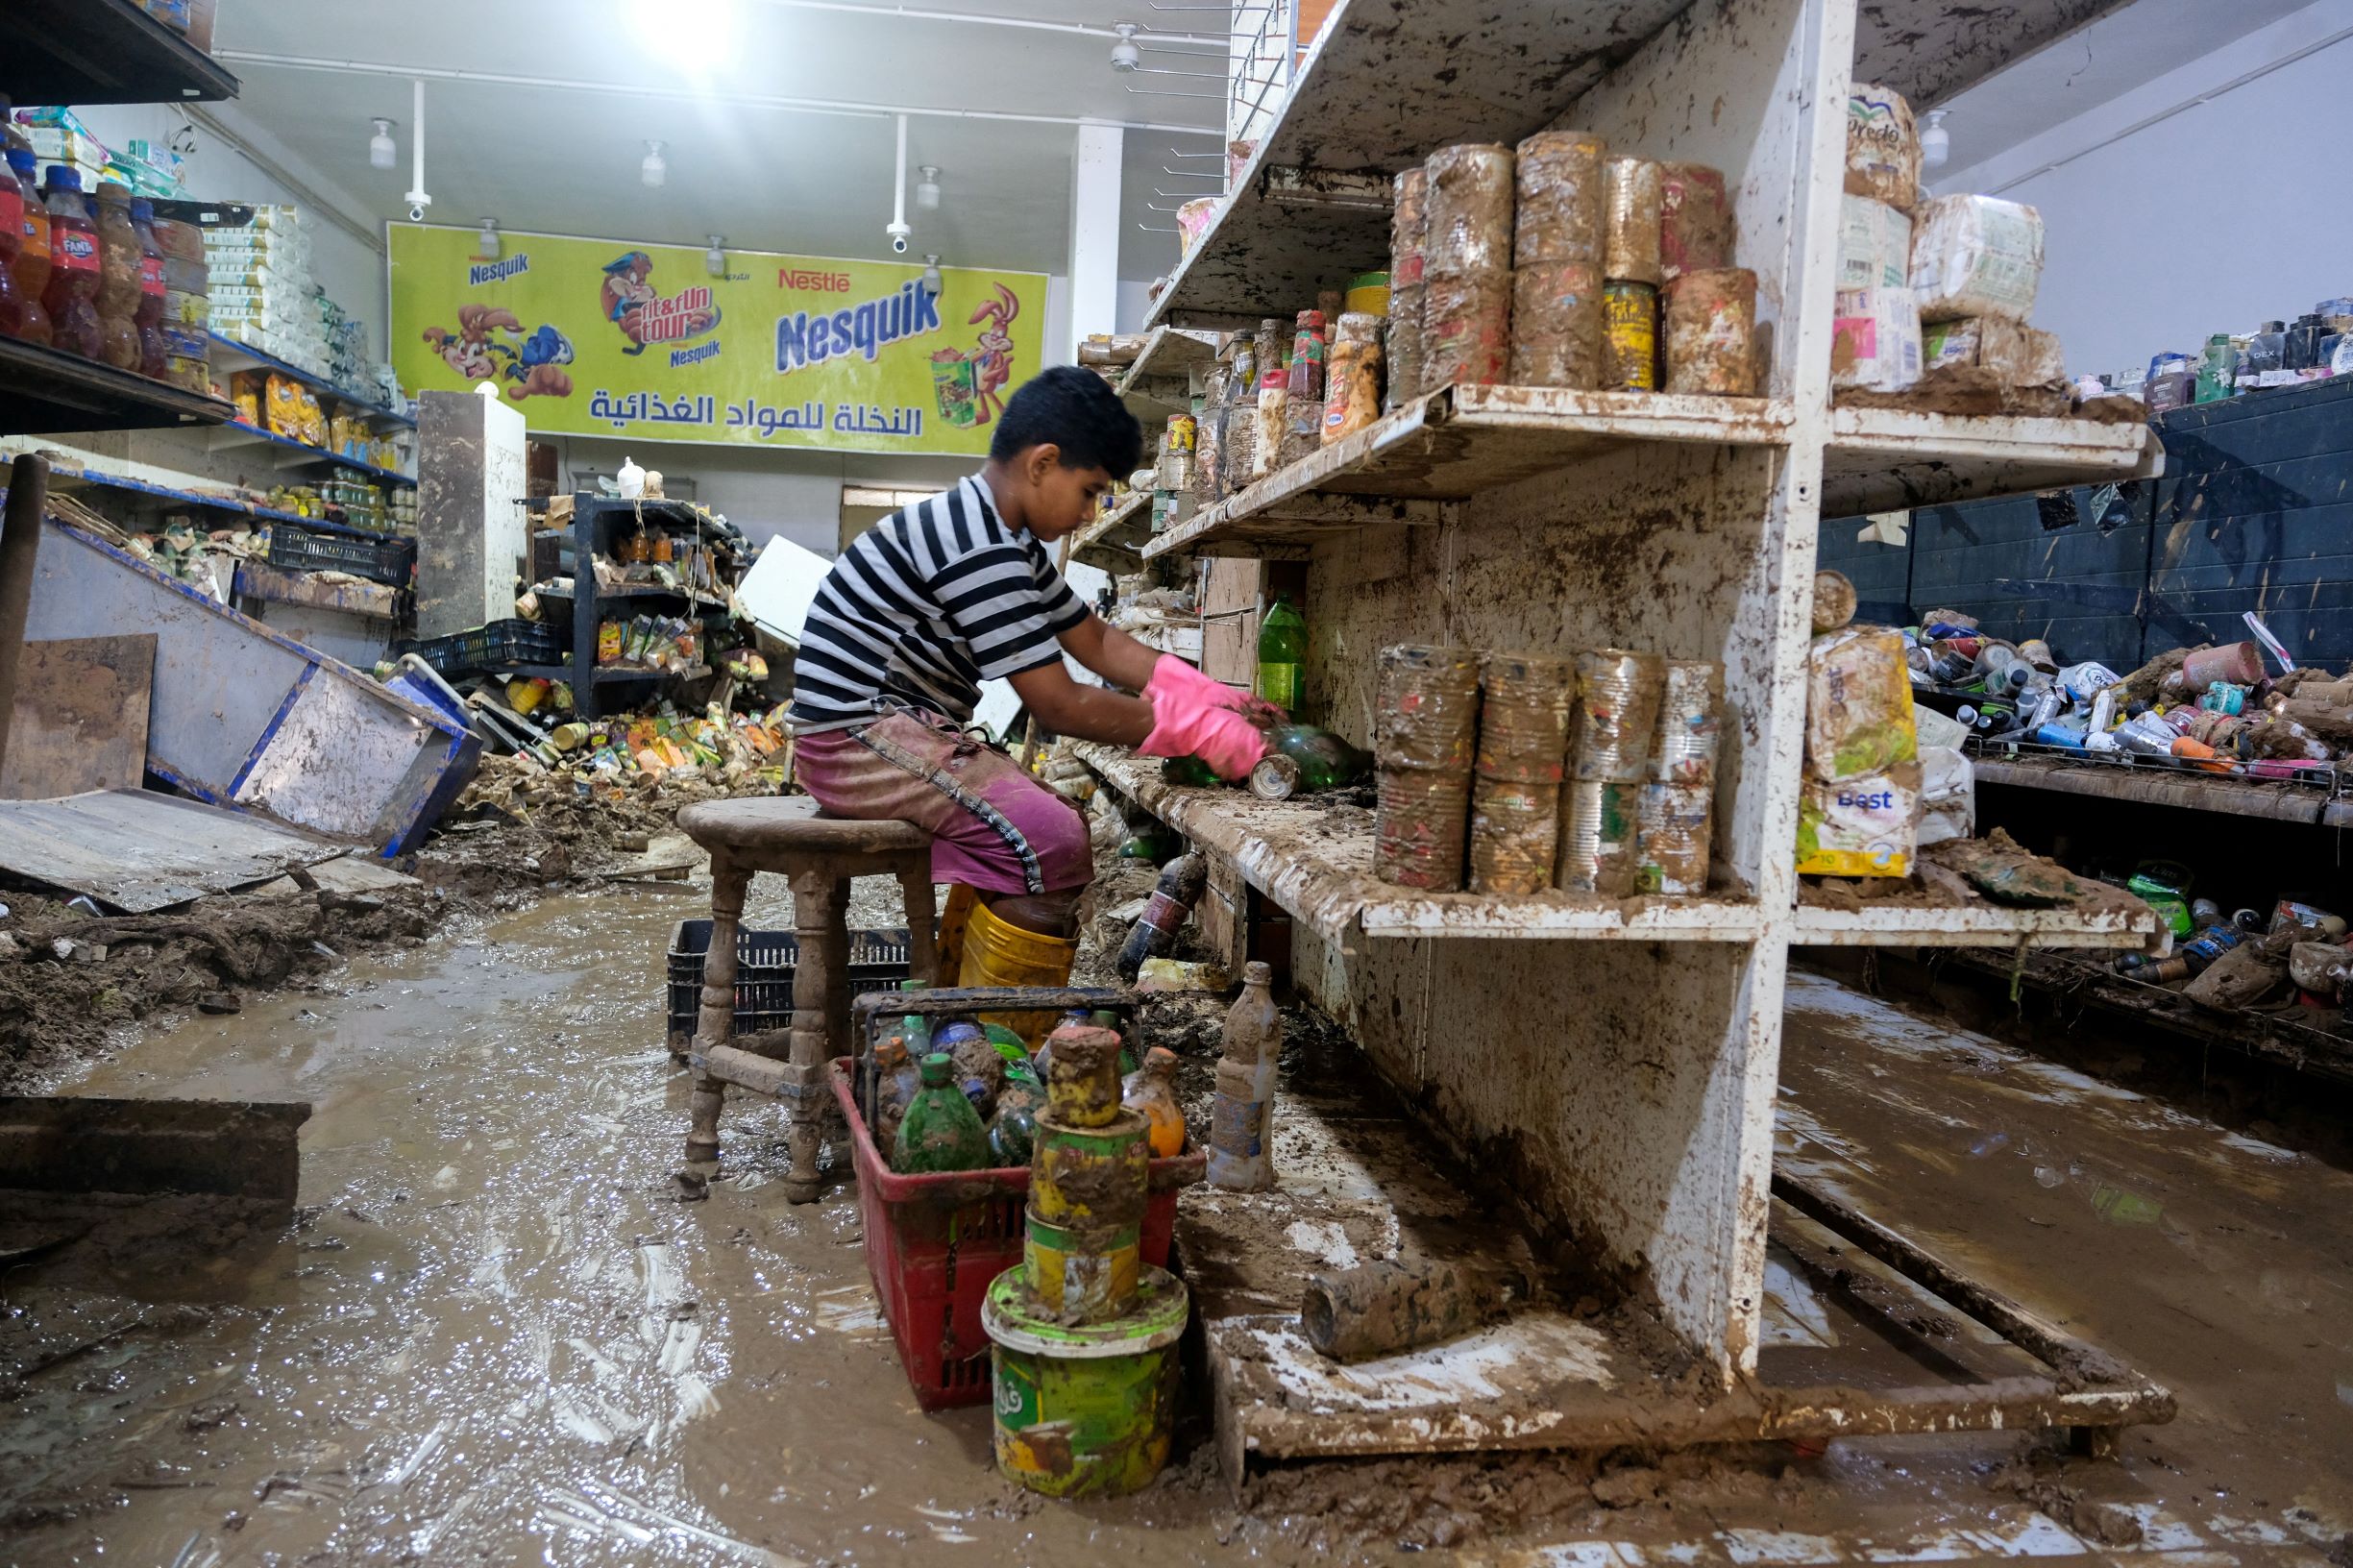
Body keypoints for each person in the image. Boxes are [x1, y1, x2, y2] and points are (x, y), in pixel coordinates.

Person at [788, 364, 1271, 1000]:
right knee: (1051, 837)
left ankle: (959, 1001)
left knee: (1045, 822)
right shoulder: (978, 543)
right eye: (1090, 490)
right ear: (1043, 463)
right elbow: (1057, 703)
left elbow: (1093, 639)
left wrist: (1201, 691)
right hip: (855, 738)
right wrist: (1196, 732)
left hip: (888, 730)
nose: (1089, 511)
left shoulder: (1004, 540)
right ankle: (994, 1035)